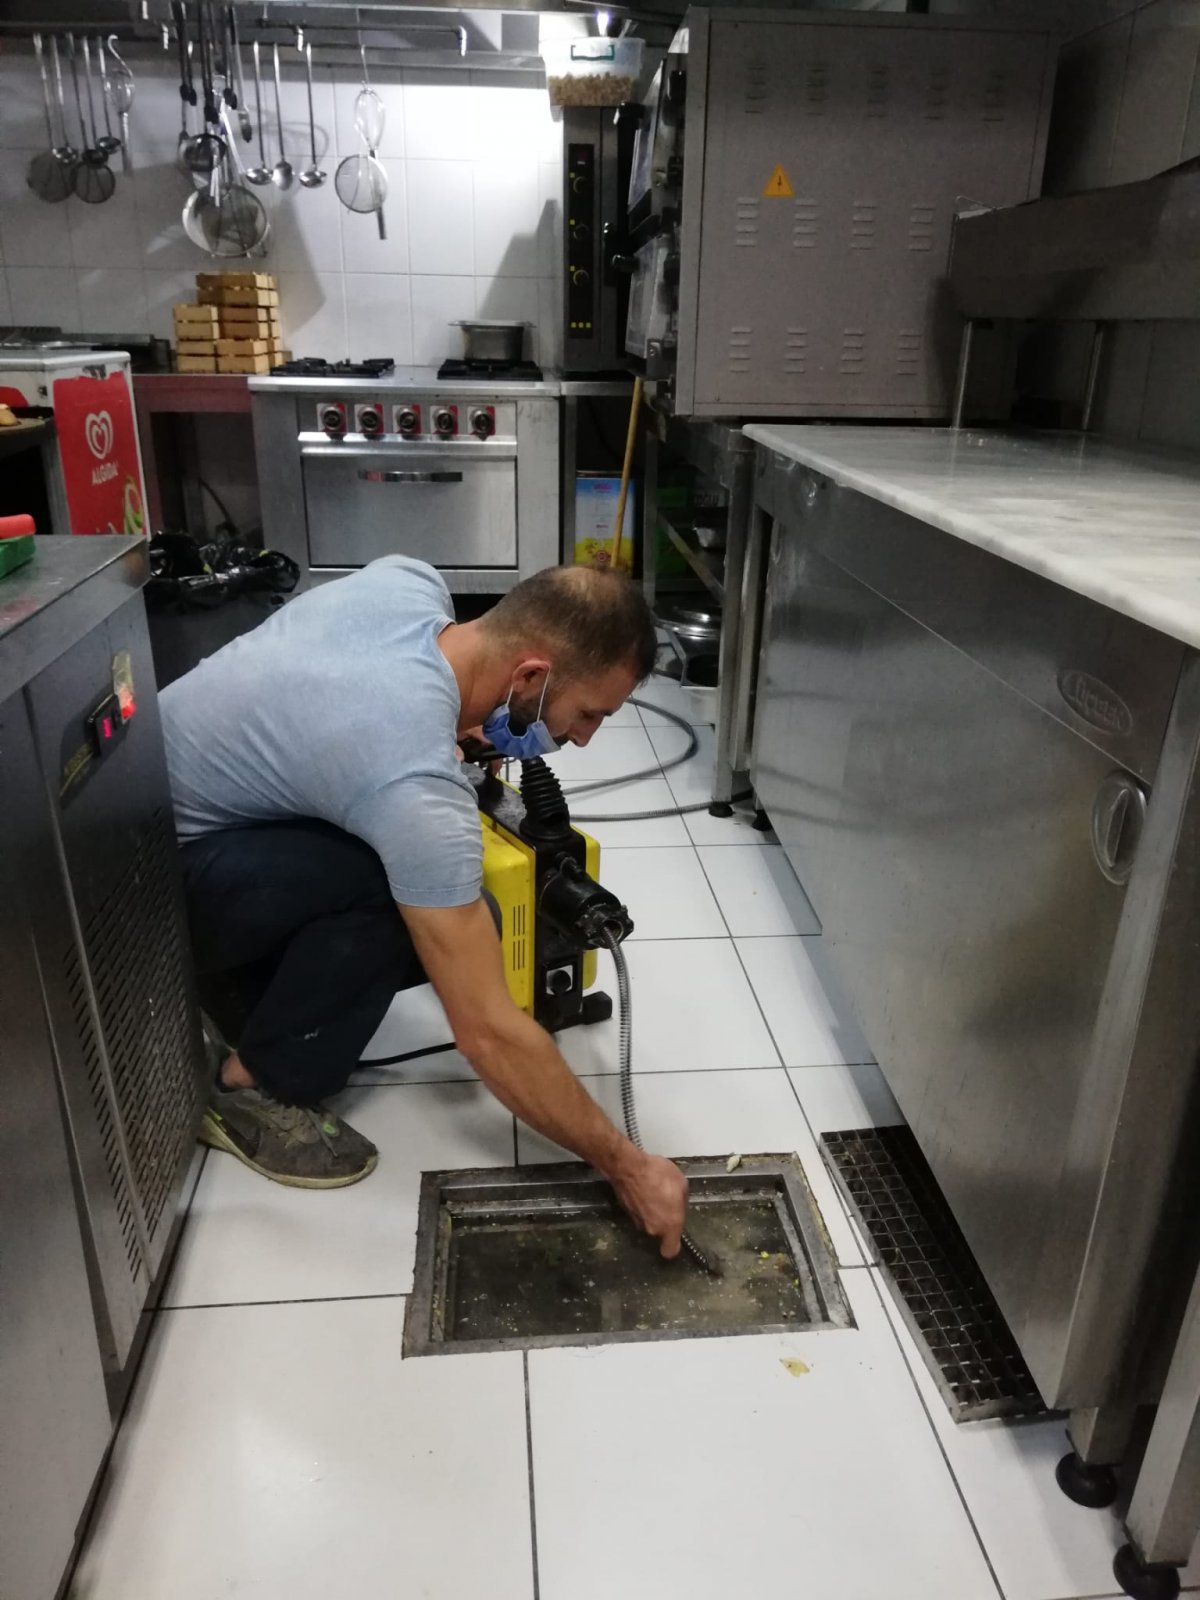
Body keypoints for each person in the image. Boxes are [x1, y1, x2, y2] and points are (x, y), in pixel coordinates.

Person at [161, 555, 689, 1258]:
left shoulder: (407, 582)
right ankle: (252, 1088)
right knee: (402, 897)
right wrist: (626, 1165)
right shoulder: (410, 779)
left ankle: (239, 991)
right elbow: (487, 1031)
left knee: (441, 898)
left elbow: (342, 698)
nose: (585, 736)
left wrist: (448, 728)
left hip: (132, 821)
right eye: (588, 713)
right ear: (530, 677)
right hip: (145, 902)